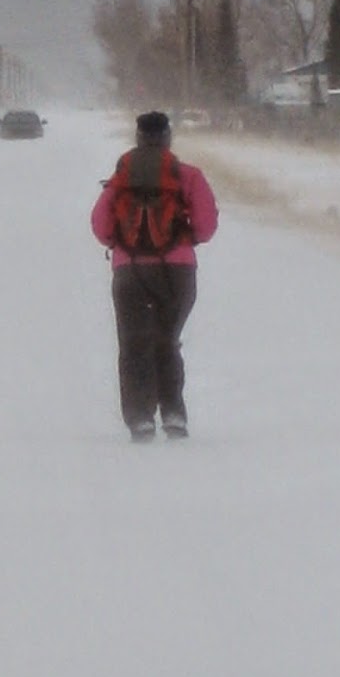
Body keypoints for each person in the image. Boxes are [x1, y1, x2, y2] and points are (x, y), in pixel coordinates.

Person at [91, 110, 219, 441]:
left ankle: (140, 418)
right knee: (166, 340)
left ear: (138, 138)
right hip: (177, 271)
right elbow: (206, 226)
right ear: (167, 138)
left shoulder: (121, 177)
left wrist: (121, 244)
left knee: (134, 344)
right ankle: (174, 414)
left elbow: (100, 225)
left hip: (130, 270)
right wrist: (184, 240)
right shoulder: (188, 176)